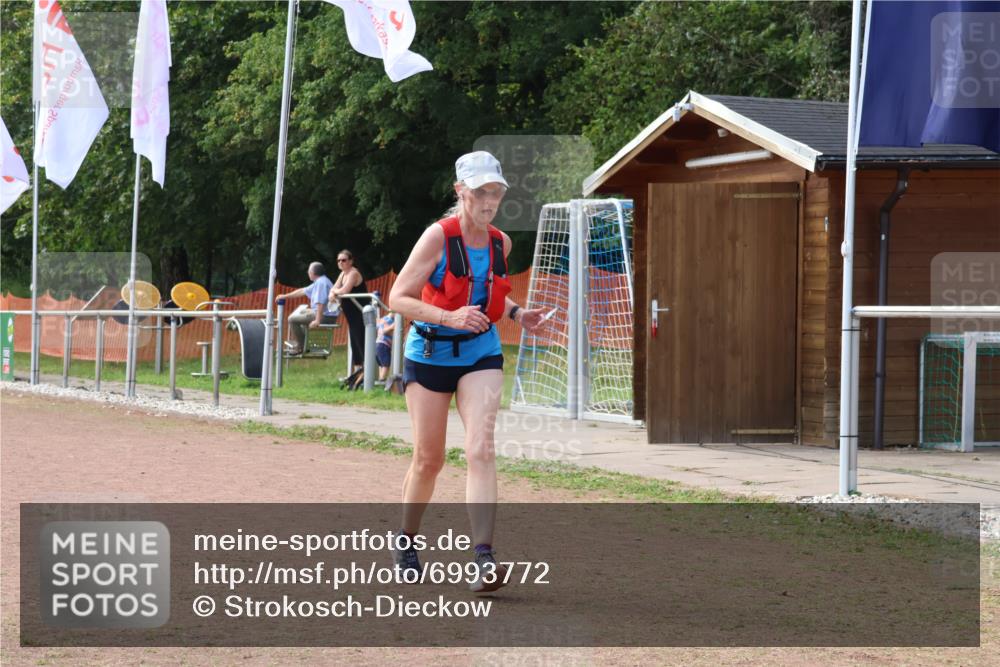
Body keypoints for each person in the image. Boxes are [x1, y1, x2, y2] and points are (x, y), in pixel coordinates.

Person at [388, 150, 546, 593]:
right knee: (429, 459)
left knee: (480, 449)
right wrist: (449, 318)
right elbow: (398, 297)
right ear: (461, 191)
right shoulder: (437, 237)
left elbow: (489, 292)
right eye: (480, 192)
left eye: (495, 192)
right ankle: (406, 541)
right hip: (431, 353)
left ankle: (483, 558)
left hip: (481, 354)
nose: (488, 201)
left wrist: (517, 313)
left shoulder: (501, 243)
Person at [279, 261, 337, 355]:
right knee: (302, 312)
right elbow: (302, 291)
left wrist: (317, 320)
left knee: (292, 319)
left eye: (308, 271)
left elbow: (320, 303)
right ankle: (305, 342)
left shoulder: (321, 283)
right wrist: (285, 296)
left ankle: (301, 347)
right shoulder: (320, 281)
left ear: (312, 273)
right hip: (324, 313)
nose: (308, 273)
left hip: (325, 316)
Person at [328, 249, 368, 372]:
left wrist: (334, 292)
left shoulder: (353, 273)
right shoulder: (343, 274)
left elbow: (344, 290)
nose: (341, 262)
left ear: (351, 261)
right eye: (338, 260)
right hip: (351, 315)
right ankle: (357, 373)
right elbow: (334, 288)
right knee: (354, 342)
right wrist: (333, 292)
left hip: (360, 312)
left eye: (344, 260)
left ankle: (367, 373)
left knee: (361, 341)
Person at [375, 311, 396, 381]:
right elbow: (384, 331)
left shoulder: (383, 319)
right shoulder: (389, 320)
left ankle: (381, 379)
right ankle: (382, 379)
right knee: (386, 364)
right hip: (383, 344)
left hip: (379, 344)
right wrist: (392, 327)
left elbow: (378, 327)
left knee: (381, 364)